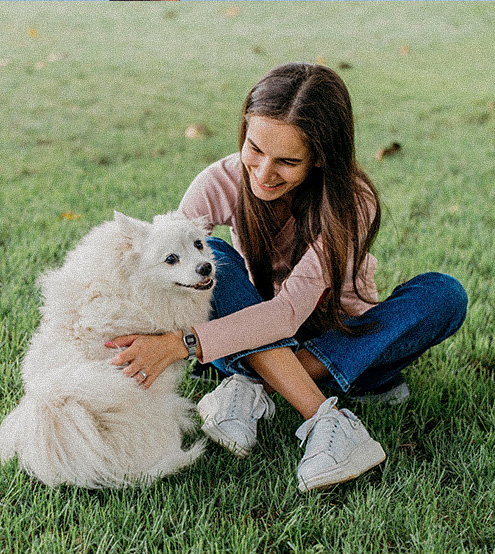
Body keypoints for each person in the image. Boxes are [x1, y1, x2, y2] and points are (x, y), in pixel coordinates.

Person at [108, 63, 468, 492]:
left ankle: (253, 385)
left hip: (334, 336)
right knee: (209, 256)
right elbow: (170, 267)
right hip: (248, 329)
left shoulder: (352, 200)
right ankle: (309, 404)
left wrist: (182, 344)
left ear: (320, 158)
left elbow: (289, 314)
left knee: (444, 295)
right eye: (254, 148)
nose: (263, 173)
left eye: (288, 161)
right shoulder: (219, 181)